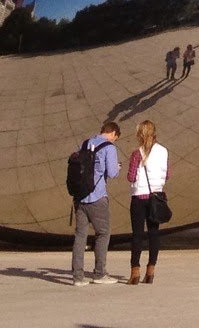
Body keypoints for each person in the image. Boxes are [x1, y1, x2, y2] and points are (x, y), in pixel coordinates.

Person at [72, 119, 122, 283]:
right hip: (97, 196)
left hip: (80, 197)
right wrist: (118, 167)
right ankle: (99, 273)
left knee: (80, 236)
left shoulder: (85, 143)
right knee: (103, 233)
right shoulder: (109, 147)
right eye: (116, 138)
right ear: (113, 133)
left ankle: (78, 277)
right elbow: (113, 173)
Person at [126, 118, 169, 285]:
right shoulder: (163, 151)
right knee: (154, 234)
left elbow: (130, 176)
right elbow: (167, 174)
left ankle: (134, 272)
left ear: (139, 135)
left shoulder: (137, 153)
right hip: (156, 197)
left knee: (137, 235)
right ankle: (150, 271)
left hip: (139, 197)